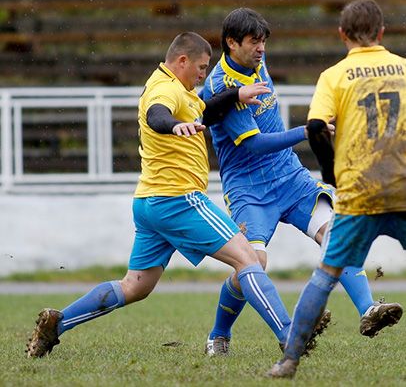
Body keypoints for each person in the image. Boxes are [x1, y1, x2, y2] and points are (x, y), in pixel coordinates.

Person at [25, 31, 303, 359]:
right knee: (249, 259)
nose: (204, 73)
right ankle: (289, 335)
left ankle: (57, 324)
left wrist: (235, 94)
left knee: (135, 286)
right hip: (179, 200)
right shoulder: (165, 89)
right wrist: (172, 126)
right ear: (182, 60)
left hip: (149, 203)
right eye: (201, 67)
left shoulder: (177, 88)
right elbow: (157, 114)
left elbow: (206, 110)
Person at [200, 7, 401, 357]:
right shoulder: (222, 86)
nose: (261, 49)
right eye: (253, 42)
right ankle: (219, 334)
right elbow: (254, 144)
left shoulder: (255, 62)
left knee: (335, 236)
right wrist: (306, 131)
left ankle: (368, 310)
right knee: (252, 263)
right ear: (231, 43)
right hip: (250, 188)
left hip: (290, 178)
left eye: (264, 42)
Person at [269, 0, 405, 379]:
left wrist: (331, 174)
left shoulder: (335, 75)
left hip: (358, 192)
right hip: (402, 187)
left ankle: (289, 361)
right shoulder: (404, 69)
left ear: (342, 34)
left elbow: (315, 128)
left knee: (327, 273)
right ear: (381, 33)